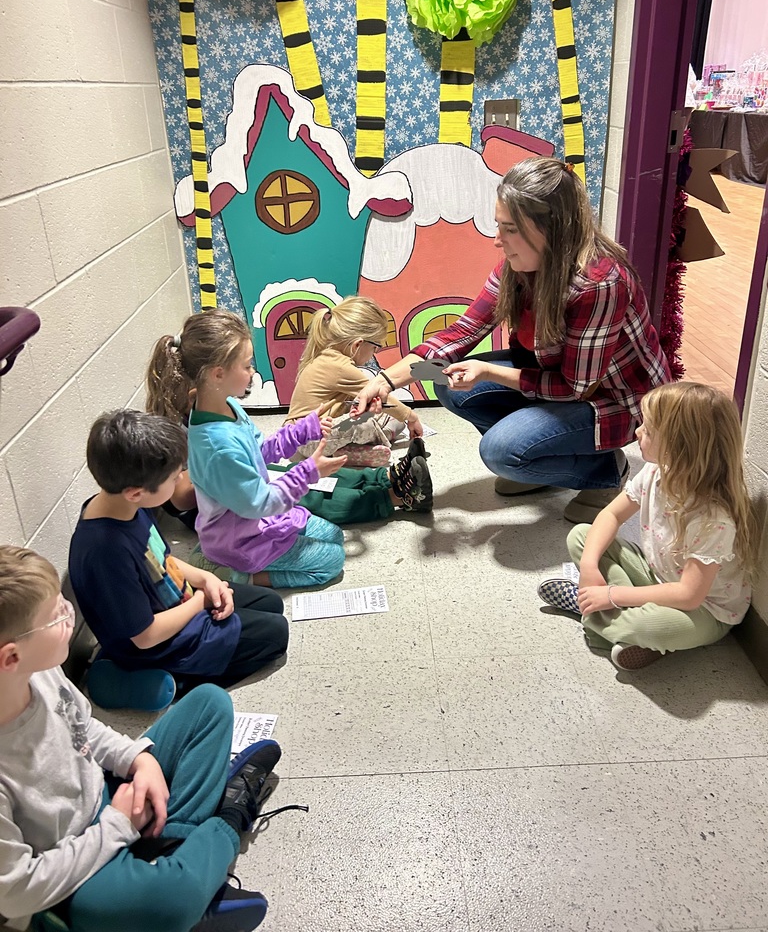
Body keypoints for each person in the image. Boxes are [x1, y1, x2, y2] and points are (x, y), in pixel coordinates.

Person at [352, 156, 671, 523]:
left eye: (510, 228)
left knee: (501, 452)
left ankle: (602, 473)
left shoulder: (598, 284)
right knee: (448, 383)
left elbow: (574, 388)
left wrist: (489, 372)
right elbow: (462, 332)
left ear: (551, 228)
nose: (497, 240)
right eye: (498, 226)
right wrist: (385, 380)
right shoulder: (518, 264)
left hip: (615, 400)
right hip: (557, 376)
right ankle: (543, 457)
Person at [0, 544, 284, 932]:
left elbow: (86, 729)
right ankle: (227, 821)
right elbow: (18, 891)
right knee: (160, 902)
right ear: (10, 657)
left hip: (107, 798)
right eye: (56, 616)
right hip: (72, 870)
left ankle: (178, 849)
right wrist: (118, 825)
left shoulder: (39, 671)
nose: (69, 615)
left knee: (210, 703)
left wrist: (138, 759)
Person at [145, 312, 432, 578]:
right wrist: (308, 473)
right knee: (332, 561)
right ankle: (231, 573)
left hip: (255, 520)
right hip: (239, 539)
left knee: (332, 535)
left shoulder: (226, 404)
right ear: (218, 374)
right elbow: (260, 504)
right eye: (246, 365)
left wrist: (301, 432)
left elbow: (259, 452)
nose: (252, 370)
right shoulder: (217, 445)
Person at [68, 410, 289, 710]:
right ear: (136, 492)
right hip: (158, 646)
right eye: (175, 478)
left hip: (180, 602)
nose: (182, 481)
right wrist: (200, 601)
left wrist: (206, 580)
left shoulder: (125, 504)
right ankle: (149, 679)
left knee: (271, 604)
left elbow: (162, 558)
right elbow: (145, 636)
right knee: (276, 635)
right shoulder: (105, 551)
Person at [536, 383, 758, 669]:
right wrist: (590, 568)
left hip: (705, 611)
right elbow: (610, 516)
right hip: (656, 575)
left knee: (649, 626)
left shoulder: (713, 519)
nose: (638, 433)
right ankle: (612, 618)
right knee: (581, 535)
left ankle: (588, 609)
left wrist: (612, 595)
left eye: (648, 430)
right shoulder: (655, 472)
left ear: (680, 447)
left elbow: (688, 596)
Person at [285, 296, 422, 467]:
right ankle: (348, 454)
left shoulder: (330, 357)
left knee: (391, 417)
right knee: (368, 424)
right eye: (374, 348)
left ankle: (350, 450)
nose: (374, 353)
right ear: (357, 345)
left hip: (317, 432)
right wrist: (412, 416)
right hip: (307, 439)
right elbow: (379, 393)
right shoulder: (338, 366)